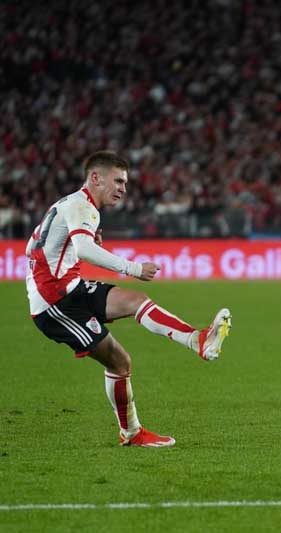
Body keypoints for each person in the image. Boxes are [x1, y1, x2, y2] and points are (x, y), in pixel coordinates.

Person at [25, 151, 232, 447]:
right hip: (56, 304)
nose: (123, 188)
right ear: (95, 178)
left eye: (125, 182)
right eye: (118, 181)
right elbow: (83, 249)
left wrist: (70, 250)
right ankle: (132, 433)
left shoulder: (68, 204)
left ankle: (198, 340)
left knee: (136, 300)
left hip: (71, 288)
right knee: (120, 363)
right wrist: (133, 268)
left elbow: (35, 246)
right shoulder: (83, 207)